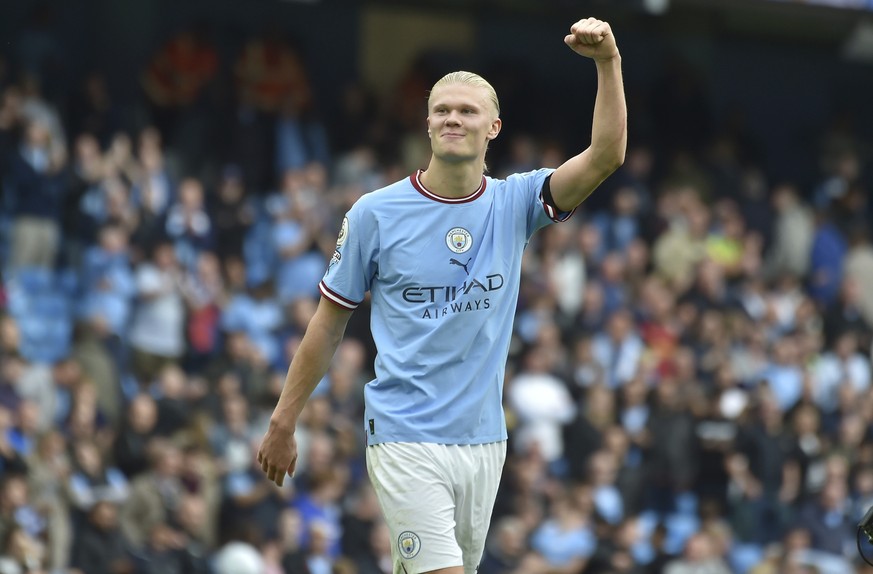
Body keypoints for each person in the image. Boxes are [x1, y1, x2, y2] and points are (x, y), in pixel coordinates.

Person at [258, 16, 626, 574]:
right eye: (442, 110)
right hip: (405, 436)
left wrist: (608, 62)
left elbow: (605, 156)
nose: (453, 117)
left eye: (467, 110)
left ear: (493, 127)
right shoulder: (375, 214)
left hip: (484, 443)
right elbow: (327, 325)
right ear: (427, 124)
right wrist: (285, 420)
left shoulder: (516, 203)